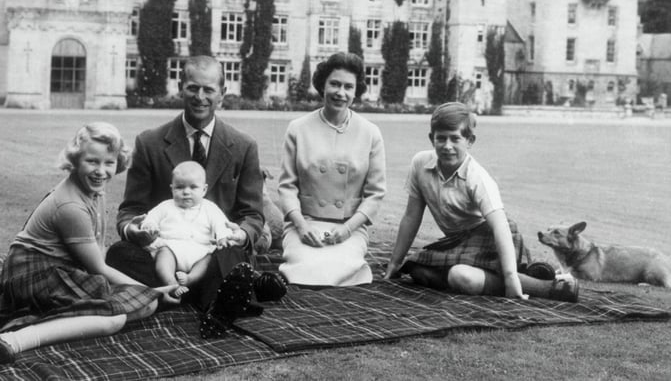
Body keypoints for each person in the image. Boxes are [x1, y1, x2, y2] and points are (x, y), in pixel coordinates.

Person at [0, 123, 179, 364]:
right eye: (92, 161)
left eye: (109, 163)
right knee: (116, 318)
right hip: (33, 273)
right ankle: (12, 339)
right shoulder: (71, 207)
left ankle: (56, 317)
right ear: (74, 159)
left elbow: (99, 249)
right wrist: (151, 290)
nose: (101, 171)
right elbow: (98, 268)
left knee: (143, 305)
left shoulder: (94, 190)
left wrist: (142, 294)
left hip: (59, 270)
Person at [106, 55, 286, 338]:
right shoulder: (150, 142)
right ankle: (228, 293)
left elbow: (252, 214)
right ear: (181, 88)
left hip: (216, 252)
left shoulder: (243, 146)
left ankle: (192, 293)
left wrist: (241, 234)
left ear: (222, 94)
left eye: (208, 89)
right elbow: (130, 210)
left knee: (234, 254)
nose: (200, 97)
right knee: (118, 254)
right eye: (192, 88)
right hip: (163, 251)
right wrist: (134, 229)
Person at [384, 102, 579, 302]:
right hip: (457, 242)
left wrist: (510, 277)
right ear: (431, 139)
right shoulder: (420, 164)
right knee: (416, 269)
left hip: (492, 237)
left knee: (460, 276)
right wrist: (394, 262)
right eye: (441, 138)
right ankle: (528, 273)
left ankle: (548, 287)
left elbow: (500, 227)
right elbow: (411, 217)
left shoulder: (477, 177)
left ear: (470, 141)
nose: (447, 146)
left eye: (455, 138)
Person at [278, 52, 386, 286]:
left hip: (348, 226)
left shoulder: (370, 133)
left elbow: (375, 194)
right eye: (334, 84)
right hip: (305, 223)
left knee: (340, 268)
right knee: (306, 266)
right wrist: (301, 225)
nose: (341, 93)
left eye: (348, 87)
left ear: (356, 91)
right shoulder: (297, 129)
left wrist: (348, 229)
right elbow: (287, 187)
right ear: (322, 85)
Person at [139, 161, 234, 298]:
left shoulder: (210, 208)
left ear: (204, 189)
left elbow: (221, 224)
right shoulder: (166, 206)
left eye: (193, 187)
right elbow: (151, 218)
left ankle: (190, 279)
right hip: (172, 248)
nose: (186, 192)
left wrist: (223, 236)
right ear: (171, 188)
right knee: (163, 256)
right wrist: (150, 225)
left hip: (200, 250)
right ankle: (171, 283)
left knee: (207, 260)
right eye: (180, 187)